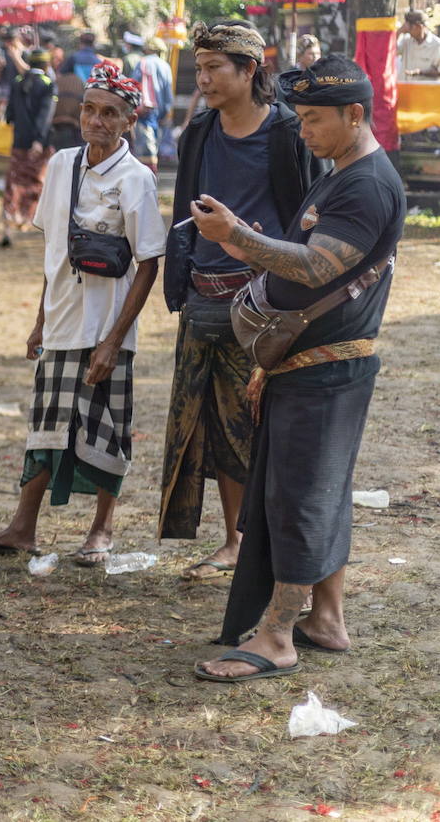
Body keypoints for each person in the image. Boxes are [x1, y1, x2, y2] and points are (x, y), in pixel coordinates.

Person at [191, 55, 404, 681]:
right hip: (311, 365)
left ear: (355, 114)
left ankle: (279, 633)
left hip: (325, 370)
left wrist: (240, 238)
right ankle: (326, 618)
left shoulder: (366, 183)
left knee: (299, 498)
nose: (302, 130)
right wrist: (247, 242)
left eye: (313, 119)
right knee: (322, 490)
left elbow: (316, 268)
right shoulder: (343, 170)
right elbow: (308, 257)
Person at [0, 62, 165, 565]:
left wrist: (114, 340)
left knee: (107, 426)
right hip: (60, 321)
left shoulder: (135, 179)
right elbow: (55, 252)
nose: (96, 121)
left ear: (128, 123)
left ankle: (102, 529)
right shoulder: (61, 166)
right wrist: (39, 320)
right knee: (46, 422)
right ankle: (23, 527)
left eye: (110, 114)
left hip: (106, 328)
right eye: (90, 110)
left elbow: (148, 264)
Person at [158, 20, 326, 581]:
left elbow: (311, 214)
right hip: (205, 295)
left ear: (250, 69)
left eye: (213, 69)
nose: (202, 79)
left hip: (264, 303)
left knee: (261, 426)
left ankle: (269, 546)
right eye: (199, 68)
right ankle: (233, 541)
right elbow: (186, 210)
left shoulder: (288, 133)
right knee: (214, 425)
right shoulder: (200, 131)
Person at [1, 48, 57, 245]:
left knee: (15, 180)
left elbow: (9, 113)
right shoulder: (48, 84)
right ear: (46, 65)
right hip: (38, 144)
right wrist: (39, 140)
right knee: (36, 181)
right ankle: (29, 219)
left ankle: (11, 216)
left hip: (19, 140)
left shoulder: (17, 82)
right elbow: (45, 115)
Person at [131, 36, 173, 173]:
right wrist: (166, 113)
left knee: (144, 152)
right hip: (160, 114)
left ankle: (145, 181)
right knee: (153, 148)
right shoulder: (165, 66)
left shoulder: (142, 63)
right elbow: (168, 94)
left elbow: (133, 87)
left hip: (144, 113)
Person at [398, 11, 440, 81]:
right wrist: (398, 32)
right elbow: (391, 52)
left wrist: (420, 72)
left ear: (420, 26)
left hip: (426, 90)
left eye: (410, 27)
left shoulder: (437, 45)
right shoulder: (406, 40)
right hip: (406, 89)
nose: (408, 30)